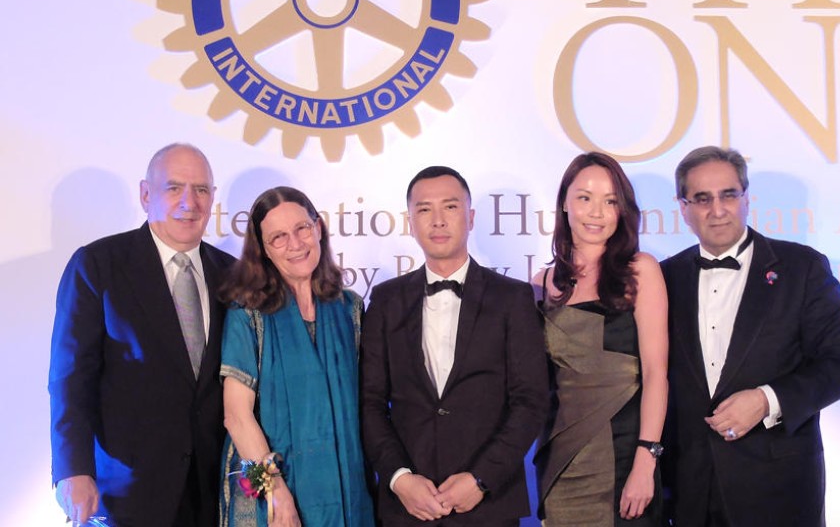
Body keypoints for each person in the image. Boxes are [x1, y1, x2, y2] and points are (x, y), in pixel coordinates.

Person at [660, 146, 840, 526]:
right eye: (702, 199)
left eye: (728, 195)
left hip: (778, 490)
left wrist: (767, 400)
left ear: (746, 198)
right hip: (690, 490)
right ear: (683, 207)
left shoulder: (802, 267)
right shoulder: (665, 278)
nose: (716, 210)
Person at [49, 142, 236, 526]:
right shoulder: (98, 265)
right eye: (174, 188)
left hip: (213, 493)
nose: (190, 201)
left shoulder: (231, 275)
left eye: (201, 189)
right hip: (127, 491)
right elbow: (70, 379)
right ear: (146, 194)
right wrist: (73, 470)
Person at [360, 166, 549, 526]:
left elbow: (531, 400)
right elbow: (369, 403)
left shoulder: (513, 298)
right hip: (406, 508)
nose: (438, 220)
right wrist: (399, 479)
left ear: (471, 217)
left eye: (450, 207)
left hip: (489, 505)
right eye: (424, 209)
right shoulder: (385, 300)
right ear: (410, 222)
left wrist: (481, 478)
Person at [218, 186, 374, 526]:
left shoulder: (351, 309)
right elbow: (236, 416)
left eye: (302, 229)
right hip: (273, 498)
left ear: (318, 228)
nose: (296, 244)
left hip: (348, 490)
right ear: (264, 251)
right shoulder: (248, 314)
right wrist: (274, 490)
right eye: (278, 237)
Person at [531, 152, 668, 526]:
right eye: (585, 197)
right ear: (564, 202)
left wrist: (646, 459)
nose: (596, 212)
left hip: (626, 454)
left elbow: (656, 373)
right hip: (563, 457)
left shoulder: (641, 270)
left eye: (610, 201)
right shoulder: (541, 283)